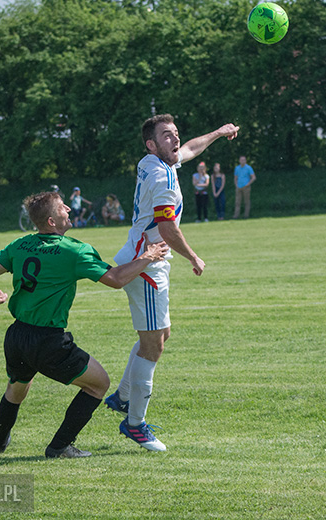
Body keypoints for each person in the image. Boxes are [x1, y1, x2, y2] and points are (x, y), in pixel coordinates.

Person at [0, 191, 169, 458]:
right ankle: (59, 447)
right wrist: (147, 256)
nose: (68, 208)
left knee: (17, 389)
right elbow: (115, 279)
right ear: (52, 221)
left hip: (17, 336)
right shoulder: (74, 251)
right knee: (99, 384)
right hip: (48, 341)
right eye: (62, 206)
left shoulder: (19, 245)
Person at [105, 114, 239, 452]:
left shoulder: (152, 161)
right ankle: (135, 424)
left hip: (141, 255)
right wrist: (193, 257)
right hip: (146, 264)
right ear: (152, 144)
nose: (175, 140)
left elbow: (190, 149)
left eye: (175, 134)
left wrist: (219, 133)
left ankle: (123, 397)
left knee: (160, 334)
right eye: (167, 136)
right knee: (154, 345)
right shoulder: (162, 176)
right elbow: (168, 230)